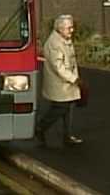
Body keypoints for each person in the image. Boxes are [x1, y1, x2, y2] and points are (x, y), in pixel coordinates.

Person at [35, 14, 83, 146]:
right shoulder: (55, 44)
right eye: (69, 28)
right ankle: (40, 128)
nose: (72, 31)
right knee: (60, 108)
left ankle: (67, 135)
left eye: (72, 27)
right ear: (60, 29)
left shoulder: (63, 39)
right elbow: (59, 67)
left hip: (65, 84)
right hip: (59, 84)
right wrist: (75, 79)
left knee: (67, 108)